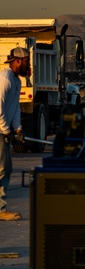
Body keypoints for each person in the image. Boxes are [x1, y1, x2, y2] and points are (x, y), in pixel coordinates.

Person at [0, 47, 29, 221]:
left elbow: (15, 107)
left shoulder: (16, 81)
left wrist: (17, 128)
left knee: (6, 169)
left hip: (4, 130)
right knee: (2, 169)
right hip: (0, 130)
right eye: (27, 61)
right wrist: (5, 130)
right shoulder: (5, 79)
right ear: (17, 61)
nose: (28, 65)